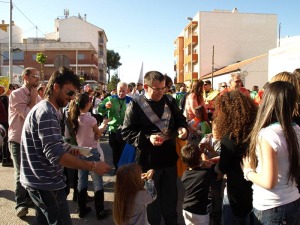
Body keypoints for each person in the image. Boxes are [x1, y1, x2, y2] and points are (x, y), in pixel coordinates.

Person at [20, 67, 111, 225]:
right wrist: (93, 166)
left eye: (74, 94)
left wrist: (77, 150)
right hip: (45, 183)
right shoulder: (47, 112)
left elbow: (57, 143)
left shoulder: (52, 111)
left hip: (40, 181)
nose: (71, 98)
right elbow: (56, 154)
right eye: (69, 93)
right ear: (56, 87)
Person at [122, 71, 188, 225]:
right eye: (157, 89)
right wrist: (147, 138)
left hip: (169, 159)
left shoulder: (170, 101)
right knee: (151, 202)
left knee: (171, 199)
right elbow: (126, 132)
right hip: (148, 162)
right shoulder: (135, 104)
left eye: (163, 88)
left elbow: (180, 120)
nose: (161, 92)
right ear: (146, 87)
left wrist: (182, 130)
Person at [241, 81, 300, 225]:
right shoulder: (297, 129)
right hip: (293, 201)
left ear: (268, 101)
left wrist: (248, 171)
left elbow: (269, 182)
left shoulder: (268, 135)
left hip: (271, 207)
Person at [213, 90, 257, 225]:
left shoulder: (230, 138)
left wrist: (214, 167)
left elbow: (222, 168)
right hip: (256, 191)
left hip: (237, 195)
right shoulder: (256, 131)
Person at [68, 92, 111, 220]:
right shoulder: (90, 119)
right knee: (98, 182)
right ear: (88, 104)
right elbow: (99, 132)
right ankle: (100, 211)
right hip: (92, 152)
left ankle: (82, 209)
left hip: (80, 151)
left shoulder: (74, 117)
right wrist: (104, 124)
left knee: (82, 181)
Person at [8, 67, 40, 218]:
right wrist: (33, 98)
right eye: (35, 76)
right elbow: (28, 115)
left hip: (31, 140)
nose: (37, 79)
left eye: (38, 76)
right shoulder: (16, 94)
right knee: (20, 171)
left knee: (31, 171)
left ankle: (29, 199)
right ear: (26, 78)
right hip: (17, 139)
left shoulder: (37, 96)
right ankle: (20, 204)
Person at [98, 82, 132, 173]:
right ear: (116, 90)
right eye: (119, 91)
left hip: (125, 130)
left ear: (127, 90)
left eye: (123, 91)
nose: (121, 93)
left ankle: (122, 169)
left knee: (123, 151)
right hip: (113, 130)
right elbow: (99, 110)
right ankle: (117, 168)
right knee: (115, 150)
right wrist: (105, 107)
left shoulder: (130, 100)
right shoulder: (110, 99)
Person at [180, 143, 215, 225]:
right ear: (199, 158)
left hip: (187, 209)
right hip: (201, 212)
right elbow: (214, 171)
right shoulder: (206, 173)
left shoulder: (185, 175)